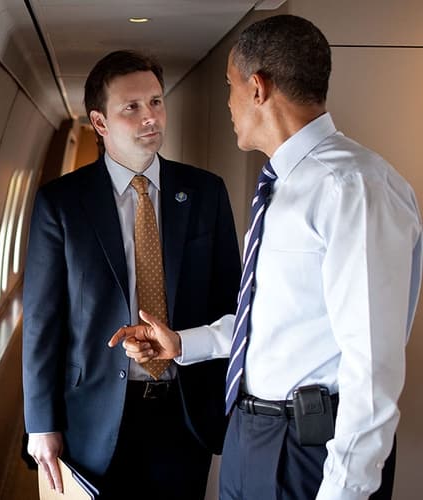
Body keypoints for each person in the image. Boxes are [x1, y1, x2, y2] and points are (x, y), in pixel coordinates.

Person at [109, 15, 422, 500]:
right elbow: (274, 319)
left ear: (257, 88)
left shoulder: (352, 188)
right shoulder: (283, 185)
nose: (228, 103)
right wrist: (183, 343)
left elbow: (373, 365)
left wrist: (344, 491)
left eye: (229, 86)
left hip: (309, 449)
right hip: (252, 434)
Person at [22, 50, 242, 499]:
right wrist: (41, 424)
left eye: (156, 102)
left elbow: (230, 300)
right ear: (99, 122)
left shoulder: (206, 192)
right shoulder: (61, 203)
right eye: (132, 107)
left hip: (184, 410)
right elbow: (43, 321)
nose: (150, 117)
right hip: (93, 414)